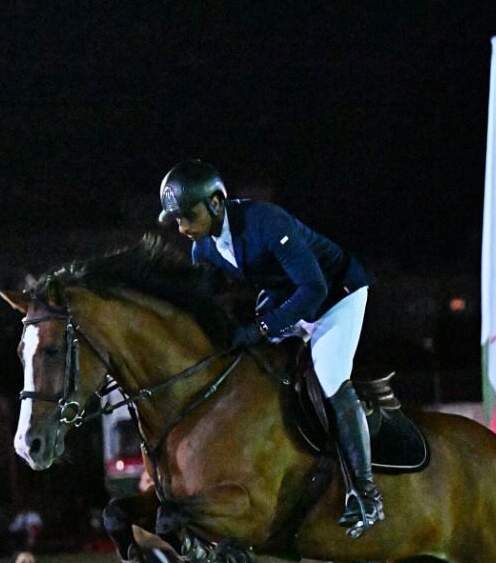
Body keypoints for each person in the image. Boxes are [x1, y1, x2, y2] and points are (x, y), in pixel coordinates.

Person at [158, 159, 382, 537]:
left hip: (336, 295)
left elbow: (313, 289)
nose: (182, 228)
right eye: (176, 219)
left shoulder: (266, 222)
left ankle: (365, 493)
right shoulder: (204, 248)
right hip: (288, 297)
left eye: (187, 216)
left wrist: (261, 327)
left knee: (330, 376)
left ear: (216, 203)